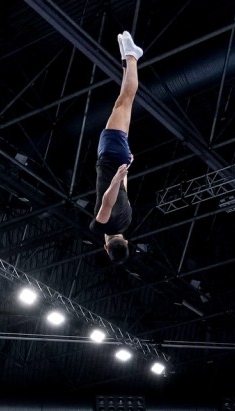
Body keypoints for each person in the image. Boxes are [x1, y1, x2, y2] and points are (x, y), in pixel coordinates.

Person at [88, 31, 143, 265]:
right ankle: (132, 56)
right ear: (105, 246)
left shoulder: (127, 221)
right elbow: (108, 201)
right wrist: (118, 177)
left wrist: (125, 169)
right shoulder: (101, 226)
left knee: (123, 102)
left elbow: (123, 193)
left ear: (126, 242)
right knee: (124, 101)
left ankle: (126, 59)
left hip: (121, 160)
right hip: (110, 157)